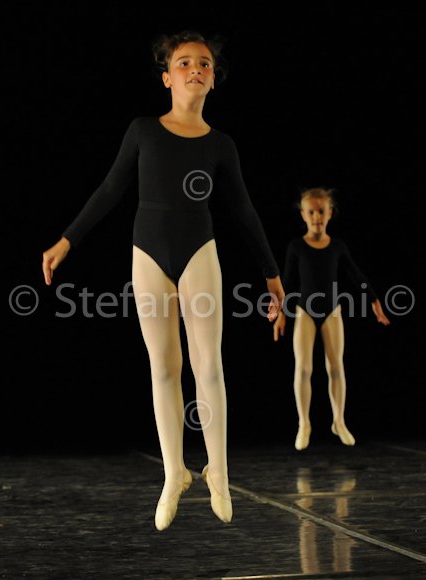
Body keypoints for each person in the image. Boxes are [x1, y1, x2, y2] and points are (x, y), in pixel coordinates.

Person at [42, 30, 285, 530]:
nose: (196, 68)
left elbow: (243, 210)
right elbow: (110, 189)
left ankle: (218, 471)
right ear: (167, 78)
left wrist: (271, 273)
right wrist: (67, 240)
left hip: (199, 253)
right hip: (148, 255)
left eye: (205, 63)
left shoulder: (221, 145)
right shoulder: (143, 131)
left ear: (213, 80)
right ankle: (175, 472)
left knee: (208, 365)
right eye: (185, 62)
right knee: (164, 367)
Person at [272, 187, 389, 451]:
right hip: (304, 311)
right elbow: (288, 282)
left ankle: (339, 421)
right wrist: (281, 313)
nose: (316, 217)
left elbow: (355, 274)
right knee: (303, 368)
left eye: (321, 211)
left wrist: (373, 300)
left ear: (330, 213)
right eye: (311, 212)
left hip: (332, 311)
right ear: (303, 215)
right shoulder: (296, 247)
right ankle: (304, 423)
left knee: (336, 367)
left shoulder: (337, 246)